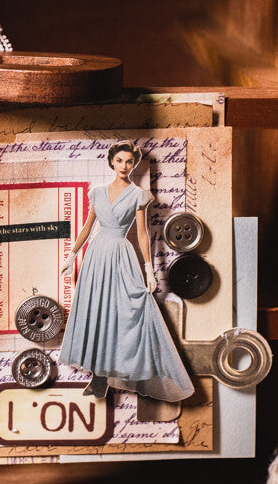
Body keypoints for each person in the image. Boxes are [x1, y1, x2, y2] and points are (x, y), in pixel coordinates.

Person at [58, 140, 194, 402]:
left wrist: (149, 270)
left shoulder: (137, 195)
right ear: (112, 162)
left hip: (121, 255)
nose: (124, 165)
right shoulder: (98, 192)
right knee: (96, 311)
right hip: (96, 256)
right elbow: (88, 227)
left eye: (129, 161)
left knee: (122, 311)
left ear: (134, 164)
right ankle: (98, 379)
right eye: (119, 160)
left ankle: (132, 370)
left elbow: (143, 234)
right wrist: (71, 256)